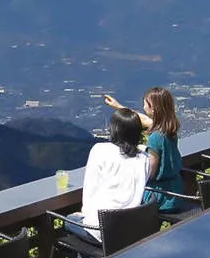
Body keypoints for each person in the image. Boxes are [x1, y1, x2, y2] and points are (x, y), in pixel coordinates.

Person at [65, 107, 149, 246]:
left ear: (114, 129)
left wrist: (84, 215)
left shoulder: (100, 150)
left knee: (69, 220)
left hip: (102, 230)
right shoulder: (144, 158)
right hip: (132, 229)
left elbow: (90, 190)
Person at [104, 86, 183, 213]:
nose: (143, 106)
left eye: (145, 103)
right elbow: (142, 119)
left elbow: (150, 173)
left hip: (158, 197)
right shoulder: (168, 129)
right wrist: (118, 106)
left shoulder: (155, 138)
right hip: (175, 192)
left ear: (154, 109)